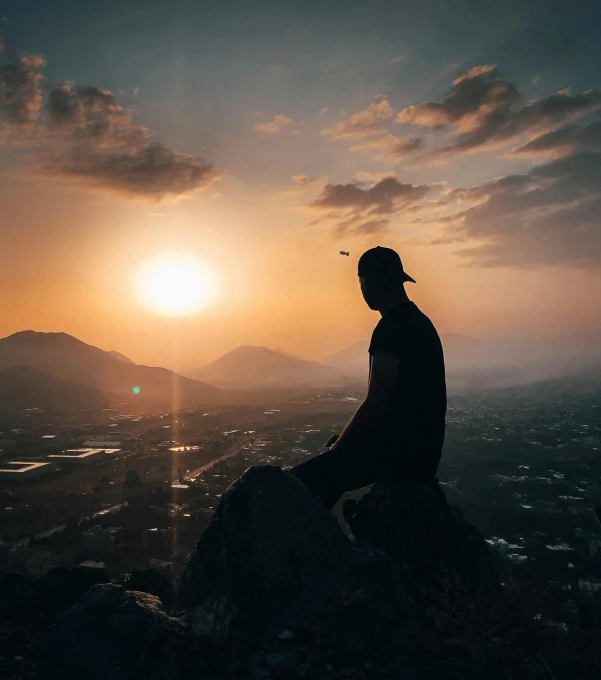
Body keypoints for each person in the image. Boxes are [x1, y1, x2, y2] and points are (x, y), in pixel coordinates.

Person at [290, 246, 447, 510]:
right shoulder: (421, 322)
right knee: (333, 464)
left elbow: (375, 403)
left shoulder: (390, 329)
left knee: (290, 486)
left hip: (396, 455)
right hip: (423, 455)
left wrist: (340, 448)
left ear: (366, 284)